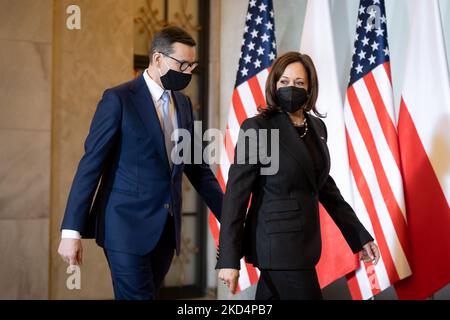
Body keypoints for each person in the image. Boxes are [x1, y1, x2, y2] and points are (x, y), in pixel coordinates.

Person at [58, 26, 223, 300]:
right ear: (157, 59)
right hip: (123, 229)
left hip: (165, 233)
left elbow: (198, 170)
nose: (187, 73)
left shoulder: (183, 104)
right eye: (181, 64)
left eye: (191, 66)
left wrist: (230, 215)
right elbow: (91, 166)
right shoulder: (118, 99)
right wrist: (71, 231)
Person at [216, 52, 380, 300]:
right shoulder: (258, 127)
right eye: (284, 82)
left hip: (304, 244)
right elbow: (236, 195)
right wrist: (229, 258)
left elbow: (325, 188)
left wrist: (359, 236)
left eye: (299, 83)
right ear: (274, 85)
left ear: (310, 87)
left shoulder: (316, 127)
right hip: (278, 245)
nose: (290, 88)